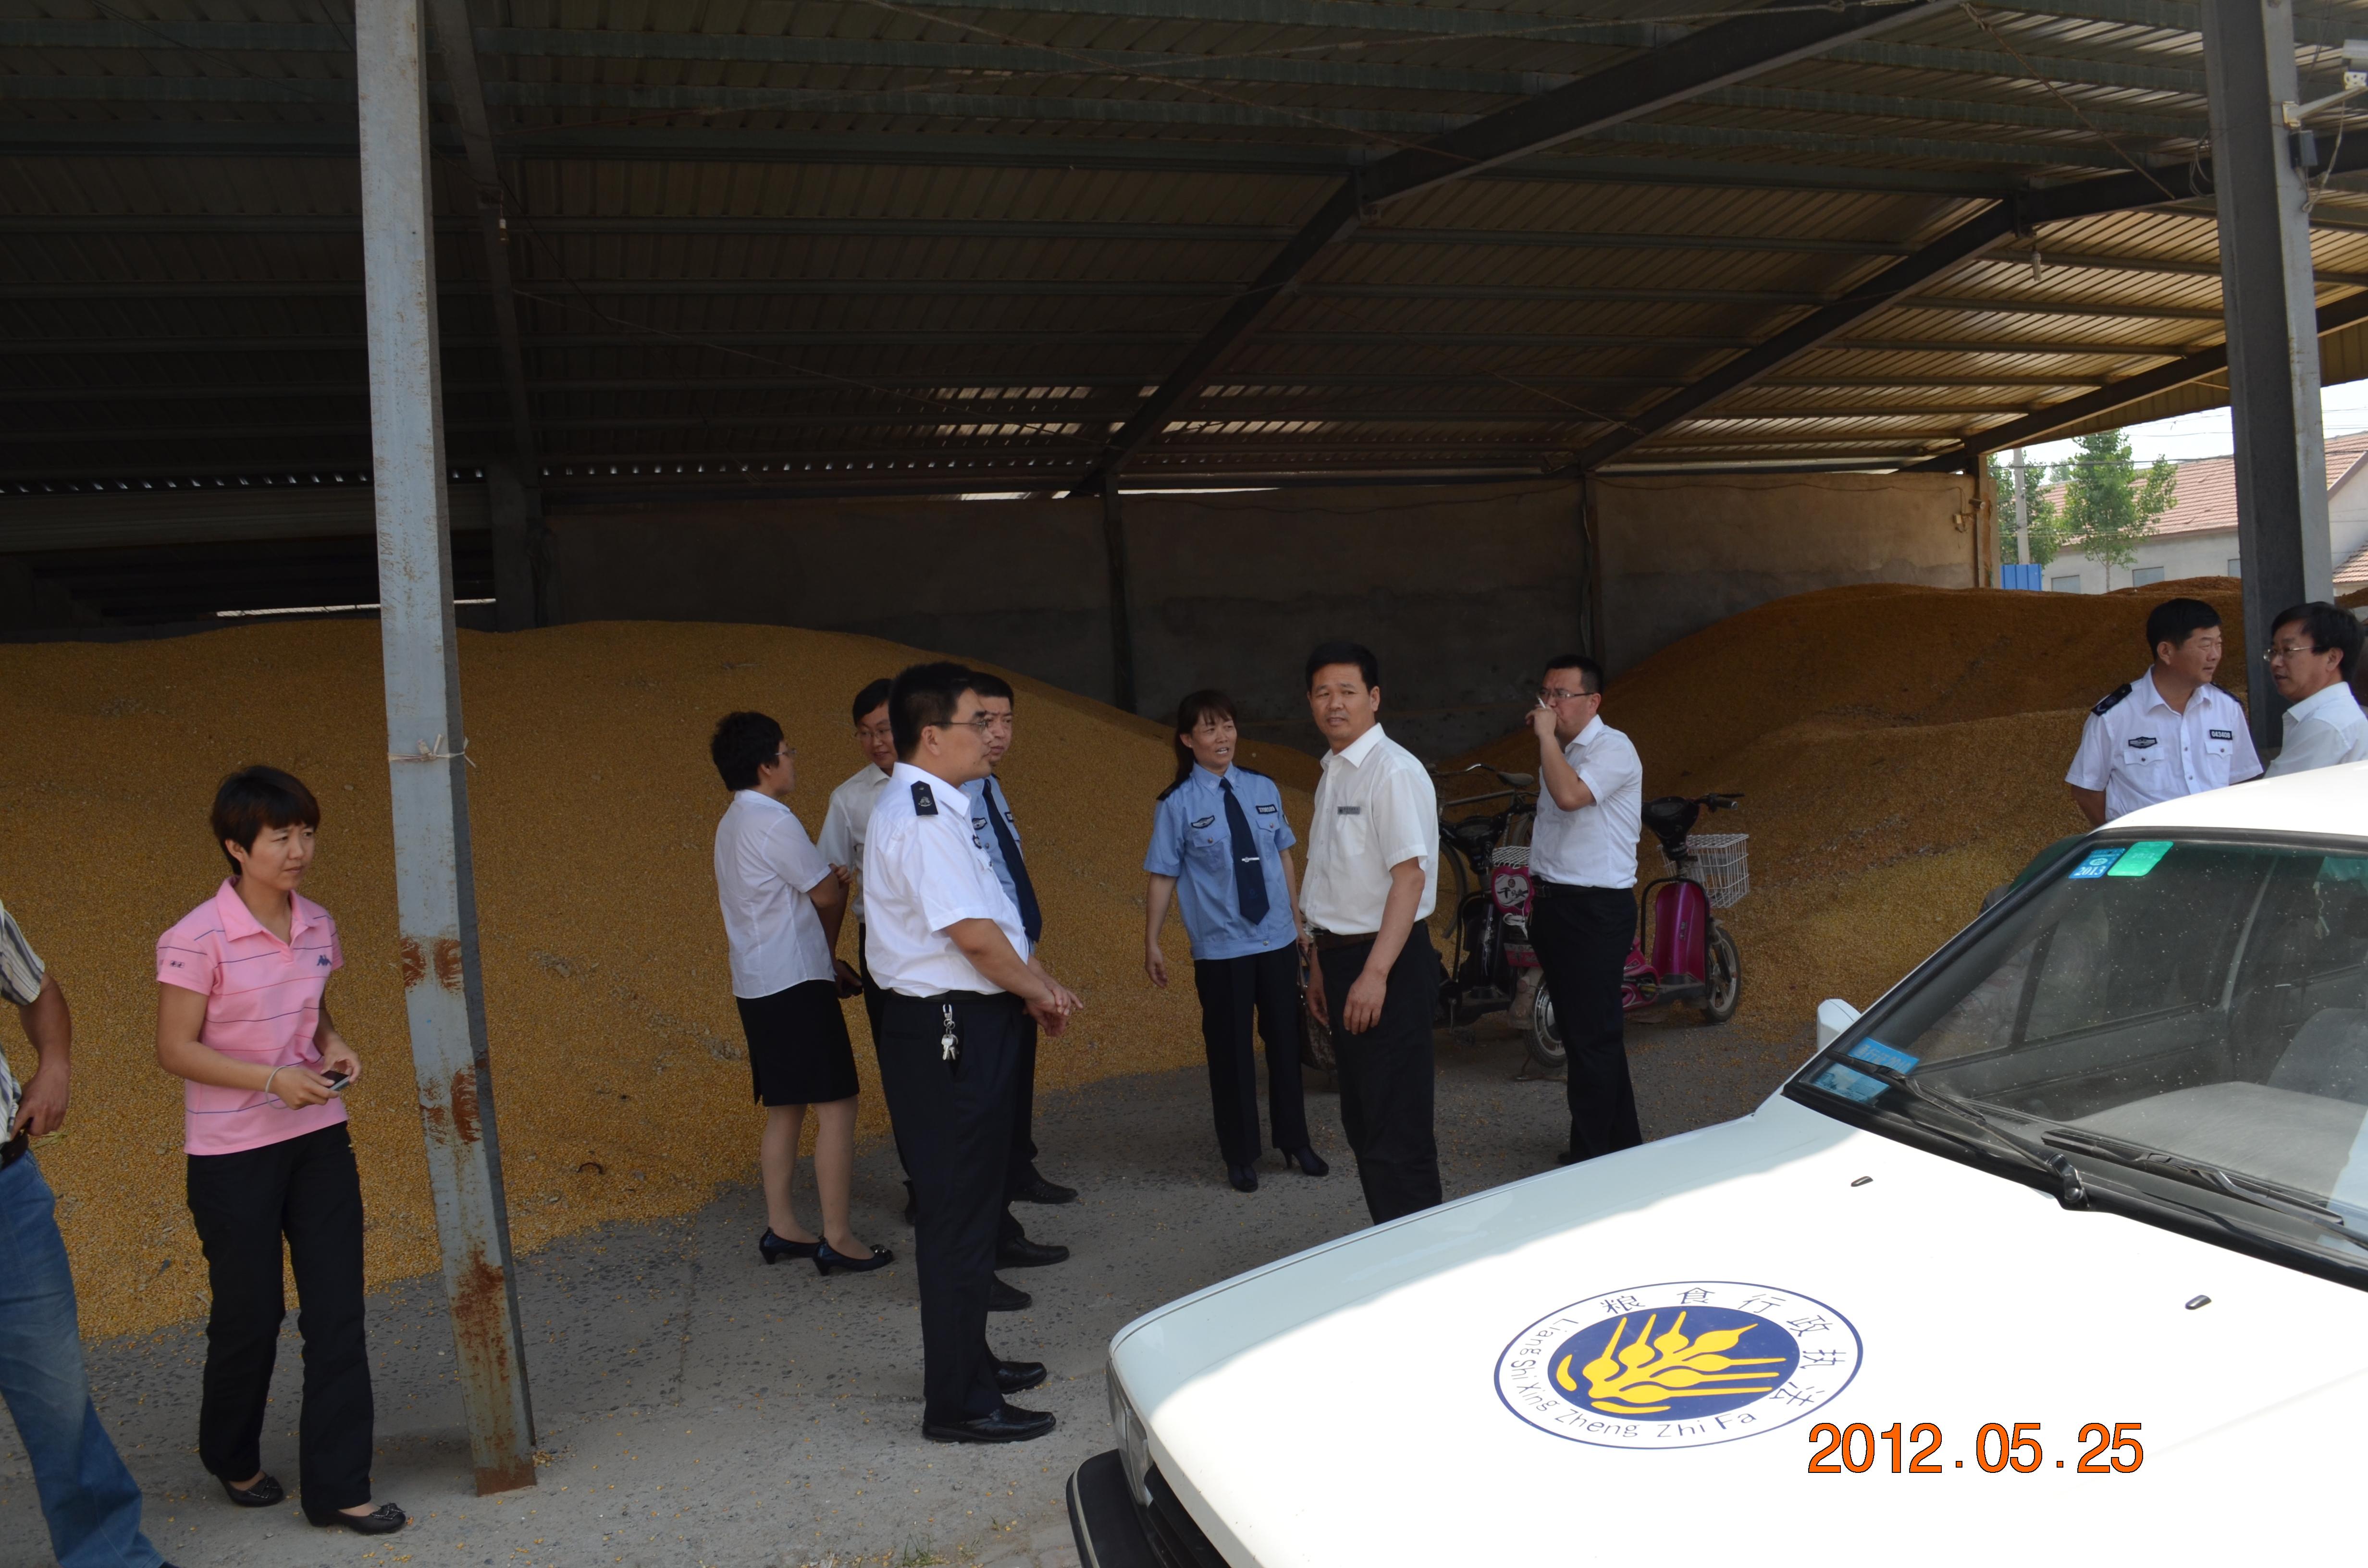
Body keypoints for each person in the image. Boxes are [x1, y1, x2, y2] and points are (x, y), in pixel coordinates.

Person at [154, 767, 405, 1536]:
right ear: (237, 847)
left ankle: (340, 1488)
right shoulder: (196, 937)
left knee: (338, 1312)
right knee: (250, 1314)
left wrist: (333, 1044)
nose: (298, 851)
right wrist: (270, 1079)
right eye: (280, 837)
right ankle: (231, 1454)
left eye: (307, 833)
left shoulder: (319, 923)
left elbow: (310, 1011)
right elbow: (174, 1048)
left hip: (318, 1138)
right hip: (231, 1153)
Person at [863, 662, 1083, 1443]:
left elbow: (992, 919)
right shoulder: (924, 815)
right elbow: (974, 937)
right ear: (933, 736)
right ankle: (958, 1403)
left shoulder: (942, 806)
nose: (992, 735)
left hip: (963, 1019)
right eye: (976, 722)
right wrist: (1041, 992)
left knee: (970, 1205)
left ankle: (970, 1365)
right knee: (957, 1215)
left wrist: (1035, 981)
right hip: (948, 1027)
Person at [0, 901, 182, 1568]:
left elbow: (36, 986)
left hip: (7, 1195)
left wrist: (55, 1061)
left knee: (56, 1393)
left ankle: (110, 1556)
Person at [710, 711, 891, 1278]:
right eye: (787, 753)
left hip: (757, 982)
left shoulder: (732, 821)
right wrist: (836, 883)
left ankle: (783, 1226)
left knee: (785, 1108)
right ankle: (837, 1237)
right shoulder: (773, 821)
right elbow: (824, 894)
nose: (793, 762)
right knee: (836, 1106)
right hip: (793, 981)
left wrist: (826, 886)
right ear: (766, 765)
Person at [1143, 689, 1326, 1193]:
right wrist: (1151, 941)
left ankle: (1295, 1141)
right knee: (1230, 1050)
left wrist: (1298, 924)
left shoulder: (1263, 788)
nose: (1222, 737)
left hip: (1275, 940)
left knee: (1285, 1043)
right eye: (1209, 729)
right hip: (1222, 948)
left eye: (1227, 726)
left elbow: (1284, 855)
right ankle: (1240, 1154)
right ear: (1188, 740)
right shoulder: (1176, 805)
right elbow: (1163, 874)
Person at [1298, 641, 1443, 1225]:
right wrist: (1318, 963)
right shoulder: (1334, 772)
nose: (1334, 704)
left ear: (1374, 698)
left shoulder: (1392, 772)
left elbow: (1409, 879)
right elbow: (1331, 877)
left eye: (1347, 691)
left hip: (1386, 961)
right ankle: (1394, 1243)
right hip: (1341, 959)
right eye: (1322, 693)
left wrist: (1374, 974)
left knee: (1395, 1126)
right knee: (1363, 1119)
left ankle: (1420, 1255)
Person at [960, 674, 1074, 1278]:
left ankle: (1009, 1197)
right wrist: (1032, 981)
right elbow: (973, 916)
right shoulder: (943, 803)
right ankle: (988, 1245)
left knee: (1008, 1099)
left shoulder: (988, 786)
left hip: (1014, 958)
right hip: (982, 976)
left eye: (1007, 721)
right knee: (979, 1118)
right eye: (985, 722)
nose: (998, 734)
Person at [1523, 655, 1646, 1167]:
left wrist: (1545, 738)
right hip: (1556, 905)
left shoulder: (1612, 748)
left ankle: (1592, 1158)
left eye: (1562, 695)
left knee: (1592, 1037)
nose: (1550, 704)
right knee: (1584, 1034)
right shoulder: (1562, 751)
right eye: (1545, 693)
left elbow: (1571, 796)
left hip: (1595, 910)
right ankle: (1621, 1143)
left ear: (1592, 702)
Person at [2067, 596, 2261, 826]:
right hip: (2148, 845)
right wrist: (2122, 838)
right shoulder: (2114, 715)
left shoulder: (2227, 708)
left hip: (2215, 842)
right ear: (2166, 652)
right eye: (2205, 645)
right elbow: (2086, 790)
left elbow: (2242, 782)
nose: (2215, 655)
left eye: (2218, 644)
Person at [817, 677, 897, 1038]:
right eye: (865, 733)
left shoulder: (950, 782)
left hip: (947, 933)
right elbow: (833, 879)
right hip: (880, 938)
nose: (875, 742)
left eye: (884, 730)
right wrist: (827, 954)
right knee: (891, 1038)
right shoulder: (849, 798)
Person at [2262, 601, 2368, 776]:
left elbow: (2276, 791)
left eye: (2288, 650)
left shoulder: (2326, 723)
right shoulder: (2337, 715)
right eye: (2273, 651)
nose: (2275, 662)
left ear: (2332, 658)